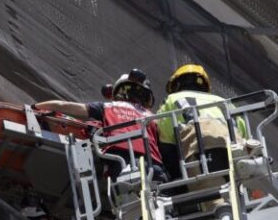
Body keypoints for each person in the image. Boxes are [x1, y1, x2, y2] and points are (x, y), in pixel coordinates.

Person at [33, 68, 165, 181]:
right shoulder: (153, 118)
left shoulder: (108, 107)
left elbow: (61, 106)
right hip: (155, 167)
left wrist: (35, 107)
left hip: (121, 164)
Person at [156, 64, 246, 209]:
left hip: (204, 155)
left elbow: (166, 144)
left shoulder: (173, 99)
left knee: (216, 208)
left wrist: (175, 178)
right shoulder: (226, 103)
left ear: (177, 84)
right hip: (238, 155)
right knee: (242, 203)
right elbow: (244, 133)